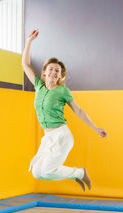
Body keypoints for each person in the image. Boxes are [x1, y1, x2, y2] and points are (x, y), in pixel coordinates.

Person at [23, 29, 107, 191]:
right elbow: (25, 64)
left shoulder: (63, 91)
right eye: (51, 69)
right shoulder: (39, 86)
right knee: (37, 173)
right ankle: (77, 173)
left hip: (61, 136)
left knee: (46, 171)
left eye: (57, 71)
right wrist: (29, 41)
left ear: (60, 76)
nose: (54, 72)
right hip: (48, 137)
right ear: (45, 72)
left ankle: (80, 173)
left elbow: (79, 111)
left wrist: (95, 128)